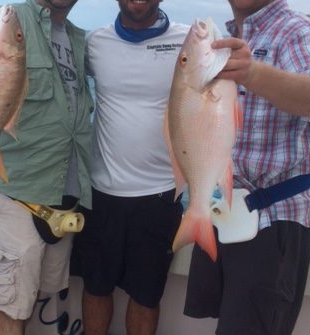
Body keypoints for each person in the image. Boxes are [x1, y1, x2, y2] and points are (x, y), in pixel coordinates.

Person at [0, 1, 94, 334]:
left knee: (39, 301)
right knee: (9, 310)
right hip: (13, 196)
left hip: (62, 197)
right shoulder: (3, 19)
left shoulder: (77, 38)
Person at [184, 1, 310, 334]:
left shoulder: (296, 31)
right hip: (224, 213)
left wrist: (254, 74)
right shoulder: (228, 37)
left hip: (272, 220)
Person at [70, 1, 188, 334]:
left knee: (146, 297)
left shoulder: (187, 41)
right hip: (99, 192)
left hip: (161, 194)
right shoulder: (95, 43)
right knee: (95, 288)